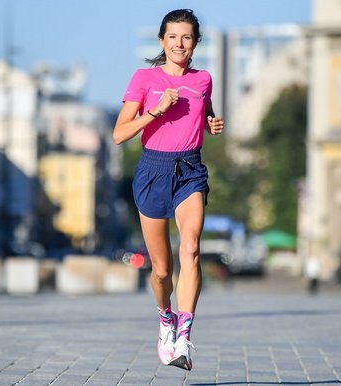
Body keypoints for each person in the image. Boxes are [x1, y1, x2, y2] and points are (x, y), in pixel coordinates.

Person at [113, 9, 224, 371]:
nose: (179, 44)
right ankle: (165, 318)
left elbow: (203, 113)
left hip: (190, 169)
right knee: (162, 270)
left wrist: (212, 123)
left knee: (190, 248)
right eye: (173, 37)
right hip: (152, 170)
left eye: (187, 37)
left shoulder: (204, 79)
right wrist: (157, 111)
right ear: (162, 40)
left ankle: (184, 338)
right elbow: (119, 133)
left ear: (195, 43)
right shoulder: (144, 78)